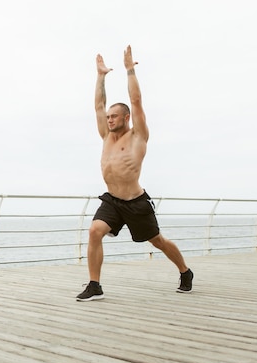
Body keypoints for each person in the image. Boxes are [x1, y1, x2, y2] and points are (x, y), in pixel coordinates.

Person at [76, 45, 193, 301]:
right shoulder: (106, 136)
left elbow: (137, 101)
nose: (109, 120)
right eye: (108, 117)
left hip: (136, 203)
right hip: (113, 201)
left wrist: (129, 70)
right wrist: (100, 75)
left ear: (126, 117)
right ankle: (94, 285)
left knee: (157, 241)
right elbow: (98, 105)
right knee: (95, 231)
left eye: (114, 116)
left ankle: (185, 271)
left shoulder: (138, 135)